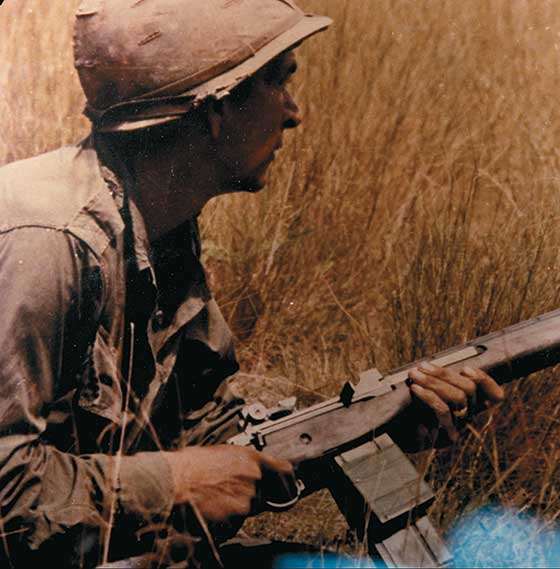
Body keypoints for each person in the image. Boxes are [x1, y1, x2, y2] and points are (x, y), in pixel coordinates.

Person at [0, 0, 507, 566]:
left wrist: (375, 422)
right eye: (277, 82)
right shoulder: (46, 242)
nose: (294, 113)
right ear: (216, 110)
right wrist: (171, 486)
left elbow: (210, 436)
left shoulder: (159, 222)